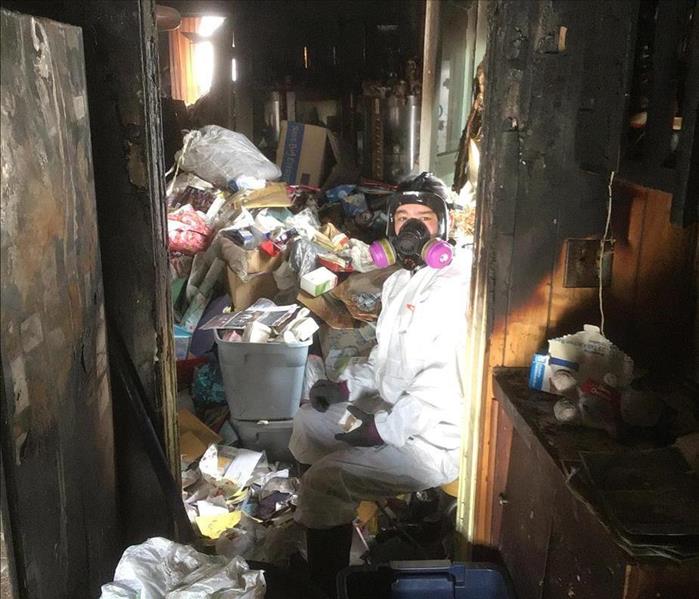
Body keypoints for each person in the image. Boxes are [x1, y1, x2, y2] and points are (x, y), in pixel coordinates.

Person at [289, 172, 471, 598]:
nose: (410, 228)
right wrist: (344, 389)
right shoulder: (400, 281)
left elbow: (441, 388)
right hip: (389, 414)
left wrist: (377, 431)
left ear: (442, 227)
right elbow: (382, 363)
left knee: (325, 480)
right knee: (308, 422)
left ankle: (328, 585)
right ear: (390, 227)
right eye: (402, 216)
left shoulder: (454, 287)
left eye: (423, 218)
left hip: (433, 441)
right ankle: (326, 526)